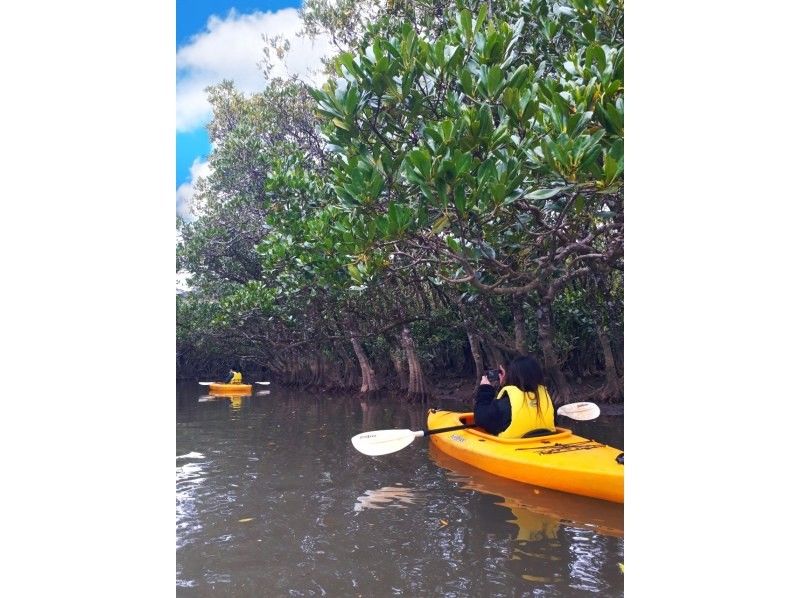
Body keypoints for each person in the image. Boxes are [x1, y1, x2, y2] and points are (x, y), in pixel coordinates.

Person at [473, 355, 555, 438]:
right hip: (545, 444)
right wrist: (503, 384)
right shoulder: (548, 399)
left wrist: (485, 389)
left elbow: (480, 419)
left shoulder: (505, 405)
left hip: (513, 447)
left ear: (513, 376)